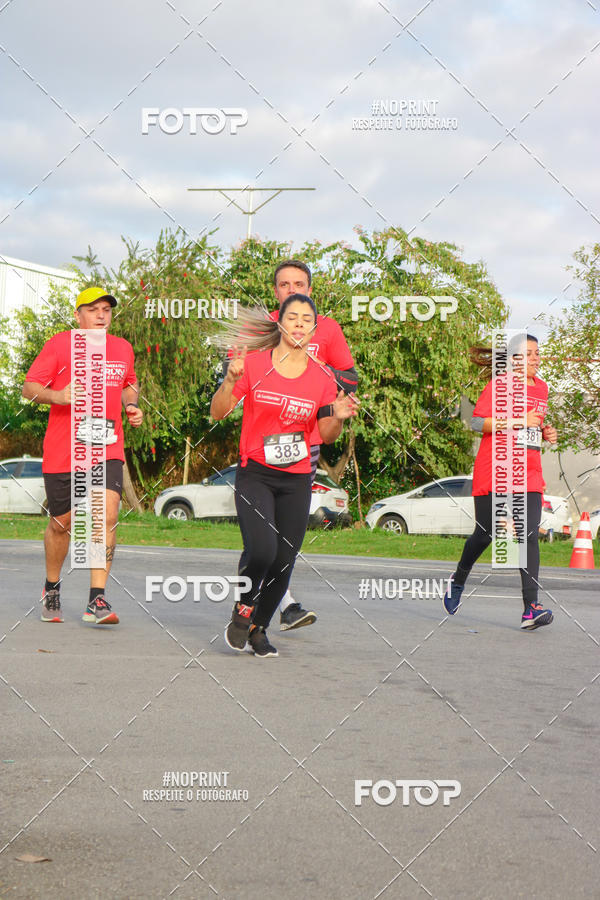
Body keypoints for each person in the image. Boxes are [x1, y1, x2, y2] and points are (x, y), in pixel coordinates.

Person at [211, 293, 358, 657]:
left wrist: (337, 416)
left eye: (306, 320)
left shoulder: (323, 378)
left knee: (284, 560)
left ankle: (258, 628)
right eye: (292, 317)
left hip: (296, 480)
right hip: (256, 474)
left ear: (313, 328)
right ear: (280, 321)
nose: (299, 324)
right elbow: (217, 413)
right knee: (262, 550)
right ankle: (244, 606)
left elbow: (325, 435)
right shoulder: (256, 364)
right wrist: (230, 381)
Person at [22, 286, 143, 625]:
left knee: (104, 517)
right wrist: (58, 395)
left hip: (107, 447)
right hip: (64, 451)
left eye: (106, 309)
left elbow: (129, 382)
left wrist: (131, 404)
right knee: (63, 525)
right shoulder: (60, 344)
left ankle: (97, 600)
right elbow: (29, 388)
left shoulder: (122, 348)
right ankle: (51, 586)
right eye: (93, 309)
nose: (101, 315)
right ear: (78, 315)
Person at [443, 333, 558, 629]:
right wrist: (519, 421)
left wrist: (545, 432)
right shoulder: (499, 386)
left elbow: (535, 424)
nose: (535, 359)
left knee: (528, 534)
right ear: (515, 359)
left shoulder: (542, 388)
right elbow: (477, 422)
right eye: (529, 354)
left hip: (528, 473)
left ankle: (530, 608)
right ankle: (458, 579)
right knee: (485, 534)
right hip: (495, 469)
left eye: (537, 353)